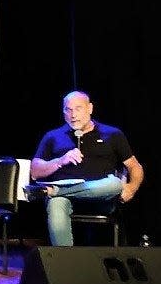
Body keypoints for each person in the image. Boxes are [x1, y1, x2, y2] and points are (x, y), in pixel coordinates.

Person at [27, 91, 144, 246]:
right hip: (67, 199)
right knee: (56, 204)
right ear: (63, 112)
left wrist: (131, 188)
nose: (73, 115)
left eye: (78, 108)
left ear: (90, 108)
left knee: (115, 183)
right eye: (68, 110)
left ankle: (54, 191)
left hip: (101, 198)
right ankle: (66, 263)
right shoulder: (53, 136)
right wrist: (60, 161)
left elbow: (135, 166)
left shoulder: (112, 134)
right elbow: (35, 171)